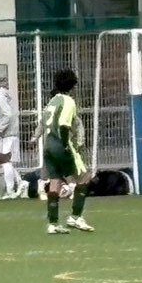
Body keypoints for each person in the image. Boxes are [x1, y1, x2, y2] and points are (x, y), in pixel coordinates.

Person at [38, 69, 93, 235]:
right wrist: (65, 146)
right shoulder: (68, 101)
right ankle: (75, 217)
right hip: (59, 145)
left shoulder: (52, 101)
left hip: (48, 145)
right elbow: (63, 124)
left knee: (55, 181)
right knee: (84, 177)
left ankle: (53, 223)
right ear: (72, 86)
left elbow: (44, 123)